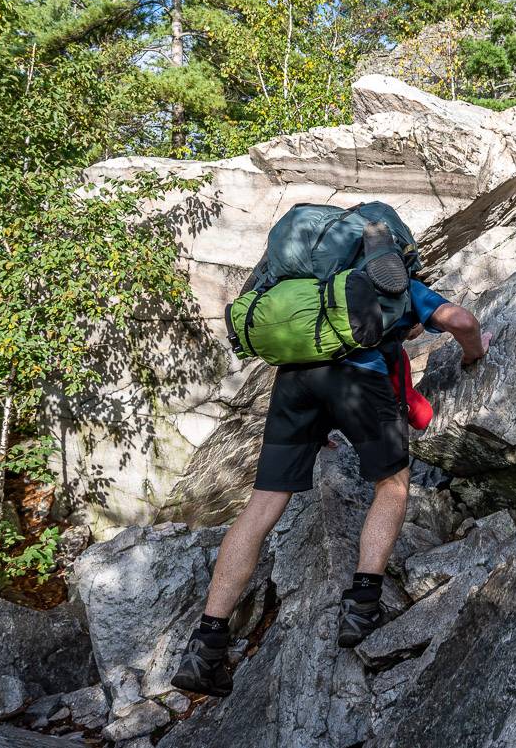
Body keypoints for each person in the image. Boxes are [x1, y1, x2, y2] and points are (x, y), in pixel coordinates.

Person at [171, 279, 489, 697]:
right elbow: (461, 320)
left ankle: (206, 646)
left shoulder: (315, 283)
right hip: (359, 376)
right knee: (392, 485)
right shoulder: (395, 278)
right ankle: (361, 607)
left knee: (263, 503)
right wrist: (475, 353)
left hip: (294, 381)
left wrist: (319, 424)